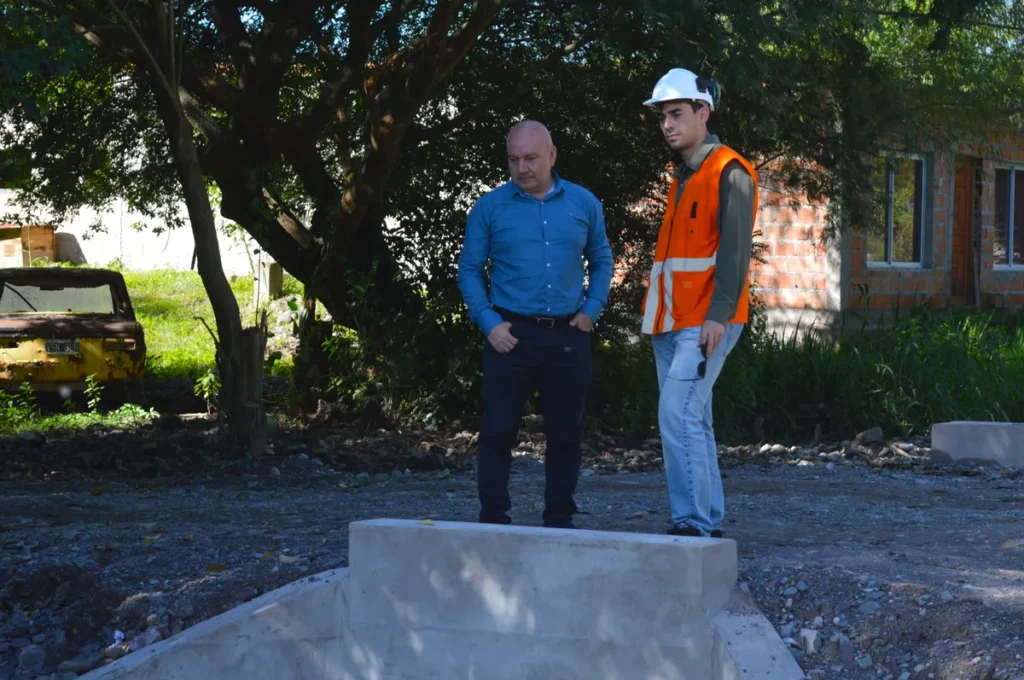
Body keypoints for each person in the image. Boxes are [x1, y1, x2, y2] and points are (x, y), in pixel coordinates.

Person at [457, 120, 614, 529]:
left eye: (530, 158)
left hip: (568, 333)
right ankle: (494, 521)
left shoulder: (583, 203)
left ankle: (559, 521)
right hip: (509, 334)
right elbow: (469, 269)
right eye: (514, 159)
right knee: (498, 431)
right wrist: (489, 323)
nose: (522, 168)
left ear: (552, 155)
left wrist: (591, 309)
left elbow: (602, 259)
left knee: (566, 434)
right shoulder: (490, 207)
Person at [639, 68, 759, 538]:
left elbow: (735, 253)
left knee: (677, 413)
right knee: (694, 418)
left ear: (703, 112)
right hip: (671, 321)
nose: (667, 124)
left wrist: (717, 316)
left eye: (676, 114)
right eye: (662, 117)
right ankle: (705, 520)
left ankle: (691, 524)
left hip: (707, 320)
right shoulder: (685, 176)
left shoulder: (730, 170)